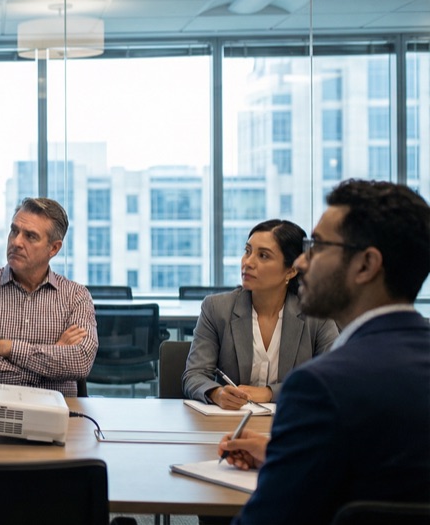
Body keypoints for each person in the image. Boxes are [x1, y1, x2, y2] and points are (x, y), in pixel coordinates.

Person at [218, 179, 430, 525]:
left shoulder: (320, 385)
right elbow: (389, 466)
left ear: (365, 265)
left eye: (317, 246)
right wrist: (281, 452)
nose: (301, 262)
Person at [182, 219, 339, 408]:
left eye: (263, 256)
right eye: (247, 251)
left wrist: (269, 393)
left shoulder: (317, 314)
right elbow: (194, 375)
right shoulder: (216, 308)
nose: (248, 262)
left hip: (293, 421)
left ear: (291, 270)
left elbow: (333, 378)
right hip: (229, 423)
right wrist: (217, 393)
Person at [0, 197, 97, 397]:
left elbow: (80, 362)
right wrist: (51, 360)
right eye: (14, 231)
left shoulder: (76, 297)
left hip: (55, 418)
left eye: (30, 236)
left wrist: (5, 347)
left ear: (53, 248)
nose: (17, 242)